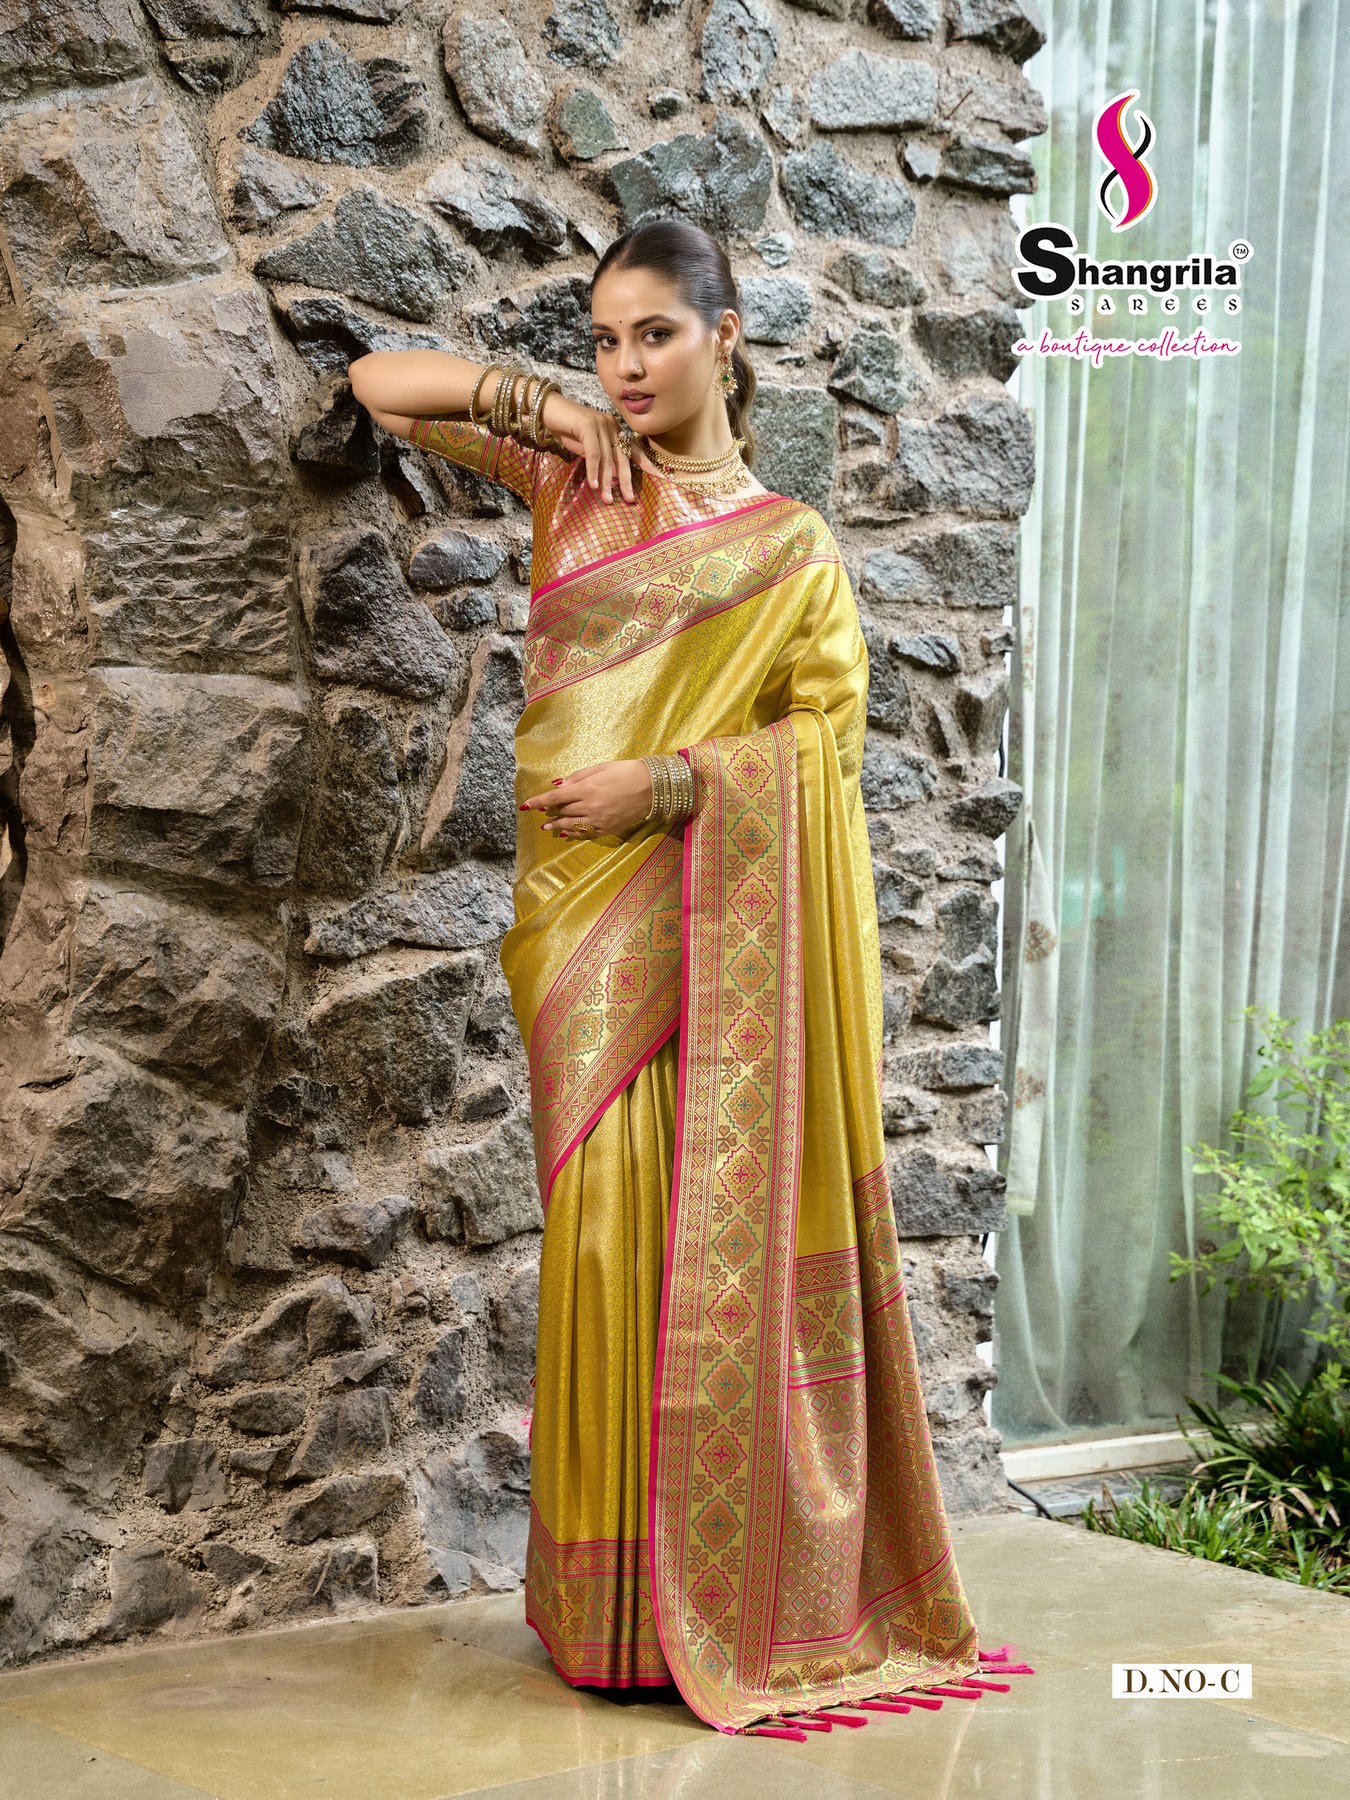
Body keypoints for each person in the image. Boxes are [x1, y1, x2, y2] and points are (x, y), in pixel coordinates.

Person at [348, 216, 986, 1740]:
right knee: (597, 1249)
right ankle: (608, 1613)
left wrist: (674, 786)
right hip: (574, 937)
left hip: (706, 938)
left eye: (655, 335)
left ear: (725, 335)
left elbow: (823, 751)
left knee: (695, 1255)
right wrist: (537, 401)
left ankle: (707, 1594)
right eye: (605, 339)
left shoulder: (789, 549)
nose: (626, 366)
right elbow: (378, 384)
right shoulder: (573, 481)